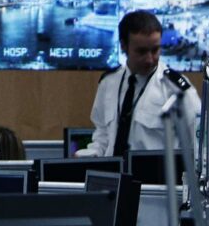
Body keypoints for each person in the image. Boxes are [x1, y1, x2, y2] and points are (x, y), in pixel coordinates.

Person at [79, 11, 200, 158]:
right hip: (113, 175)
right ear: (123, 46)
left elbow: (198, 145)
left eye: (155, 50)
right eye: (141, 51)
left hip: (156, 178)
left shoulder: (177, 90)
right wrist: (92, 154)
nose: (149, 59)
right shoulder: (108, 83)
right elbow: (103, 135)